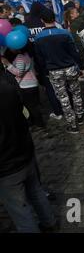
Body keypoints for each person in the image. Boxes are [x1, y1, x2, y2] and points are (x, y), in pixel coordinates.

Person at [0, 63, 57, 233]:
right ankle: (50, 222)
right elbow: (24, 113)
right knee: (35, 191)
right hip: (24, 149)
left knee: (20, 208)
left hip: (7, 164)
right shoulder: (8, 83)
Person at [34, 10, 84, 134]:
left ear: (42, 21)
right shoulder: (65, 33)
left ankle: (72, 125)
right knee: (76, 92)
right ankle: (80, 115)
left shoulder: (38, 38)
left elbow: (39, 58)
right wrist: (81, 66)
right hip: (70, 68)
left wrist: (44, 71)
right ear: (55, 18)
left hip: (54, 71)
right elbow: (74, 52)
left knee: (63, 98)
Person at [1, 45, 45, 130]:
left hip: (26, 85)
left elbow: (19, 73)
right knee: (33, 106)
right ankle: (37, 123)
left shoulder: (20, 57)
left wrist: (8, 64)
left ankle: (39, 124)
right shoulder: (26, 55)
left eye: (11, 46)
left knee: (31, 107)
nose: (9, 48)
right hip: (31, 83)